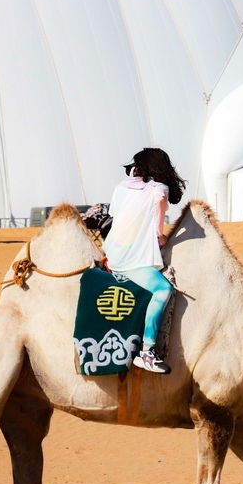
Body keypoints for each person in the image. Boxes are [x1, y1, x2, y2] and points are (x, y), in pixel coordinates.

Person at [101, 148, 185, 374]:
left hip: (114, 251)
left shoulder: (121, 187)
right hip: (132, 259)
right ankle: (147, 351)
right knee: (162, 289)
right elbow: (159, 200)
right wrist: (160, 234)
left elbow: (115, 215)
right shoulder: (159, 188)